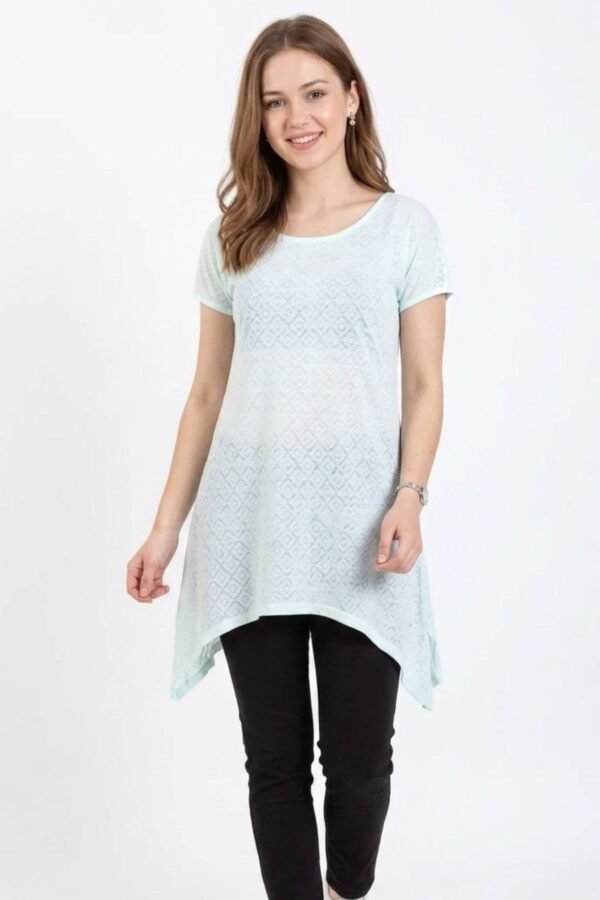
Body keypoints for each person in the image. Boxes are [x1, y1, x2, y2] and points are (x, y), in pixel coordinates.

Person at [127, 13, 454, 900]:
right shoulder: (234, 236)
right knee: (274, 763)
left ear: (351, 98)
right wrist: (165, 530)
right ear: (257, 116)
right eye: (274, 102)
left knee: (359, 764)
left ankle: (347, 887)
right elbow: (206, 392)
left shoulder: (403, 228)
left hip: (363, 530)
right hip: (249, 525)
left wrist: (411, 493)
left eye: (313, 94)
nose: (295, 117)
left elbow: (424, 383)